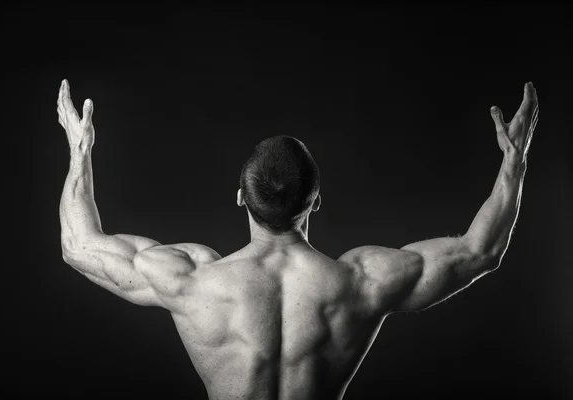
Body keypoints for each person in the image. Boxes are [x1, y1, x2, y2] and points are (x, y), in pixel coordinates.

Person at [58, 79, 538, 400]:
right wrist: (513, 165)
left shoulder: (192, 280)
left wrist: (81, 152)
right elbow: (481, 251)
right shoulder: (361, 282)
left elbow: (78, 245)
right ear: (316, 203)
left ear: (241, 199)